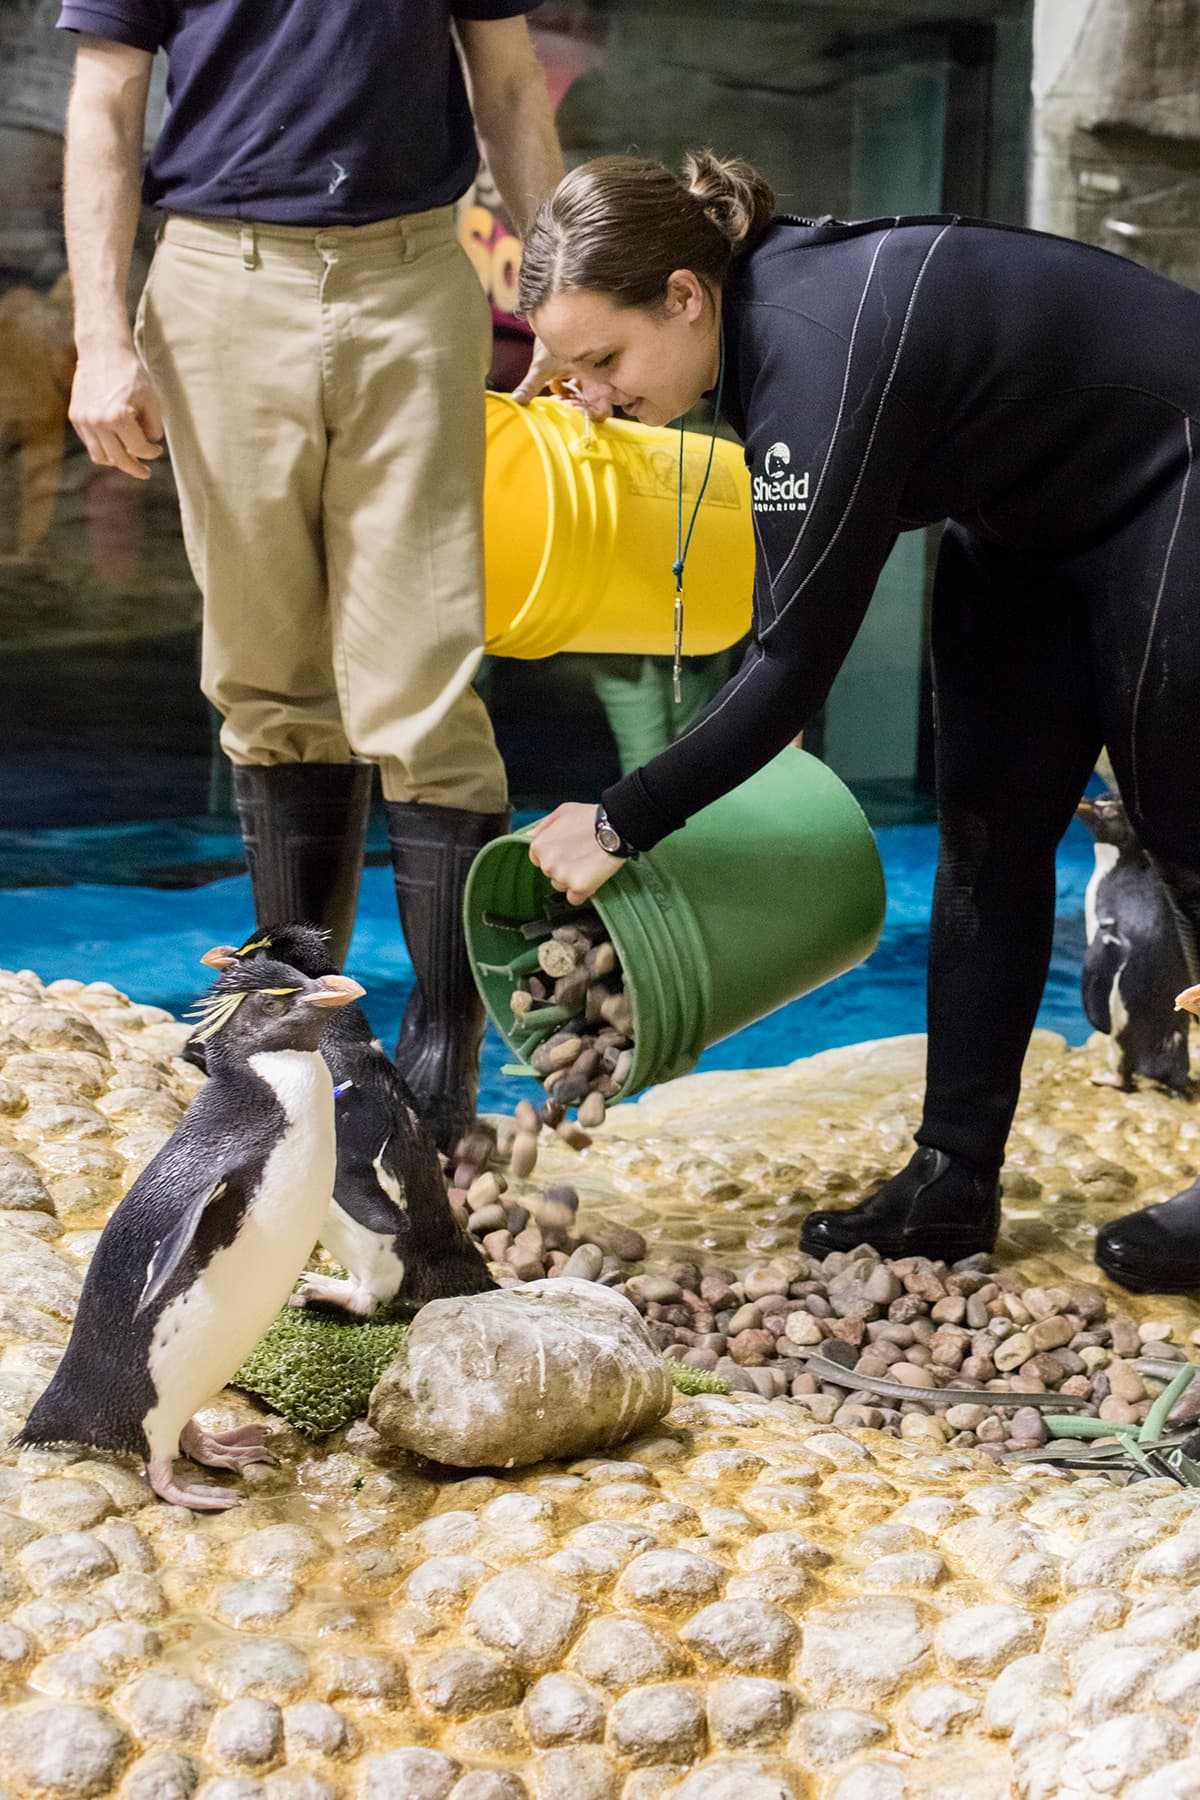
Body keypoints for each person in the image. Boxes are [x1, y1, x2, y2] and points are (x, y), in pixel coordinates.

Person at [519, 150, 1200, 1296]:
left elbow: (791, 667)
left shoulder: (811, 353)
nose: (587, 392)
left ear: (686, 295)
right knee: (986, 834)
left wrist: (622, 821)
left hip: (1176, 469)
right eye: (565, 366)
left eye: (602, 360)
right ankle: (951, 1179)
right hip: (1023, 512)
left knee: (1191, 838)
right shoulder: (750, 336)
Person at [57, 2, 564, 1151]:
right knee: (266, 674)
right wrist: (100, 335)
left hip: (411, 272)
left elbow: (513, 84)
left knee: (423, 676)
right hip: (216, 279)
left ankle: (445, 1040)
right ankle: (299, 1017)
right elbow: (104, 96)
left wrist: (556, 290)